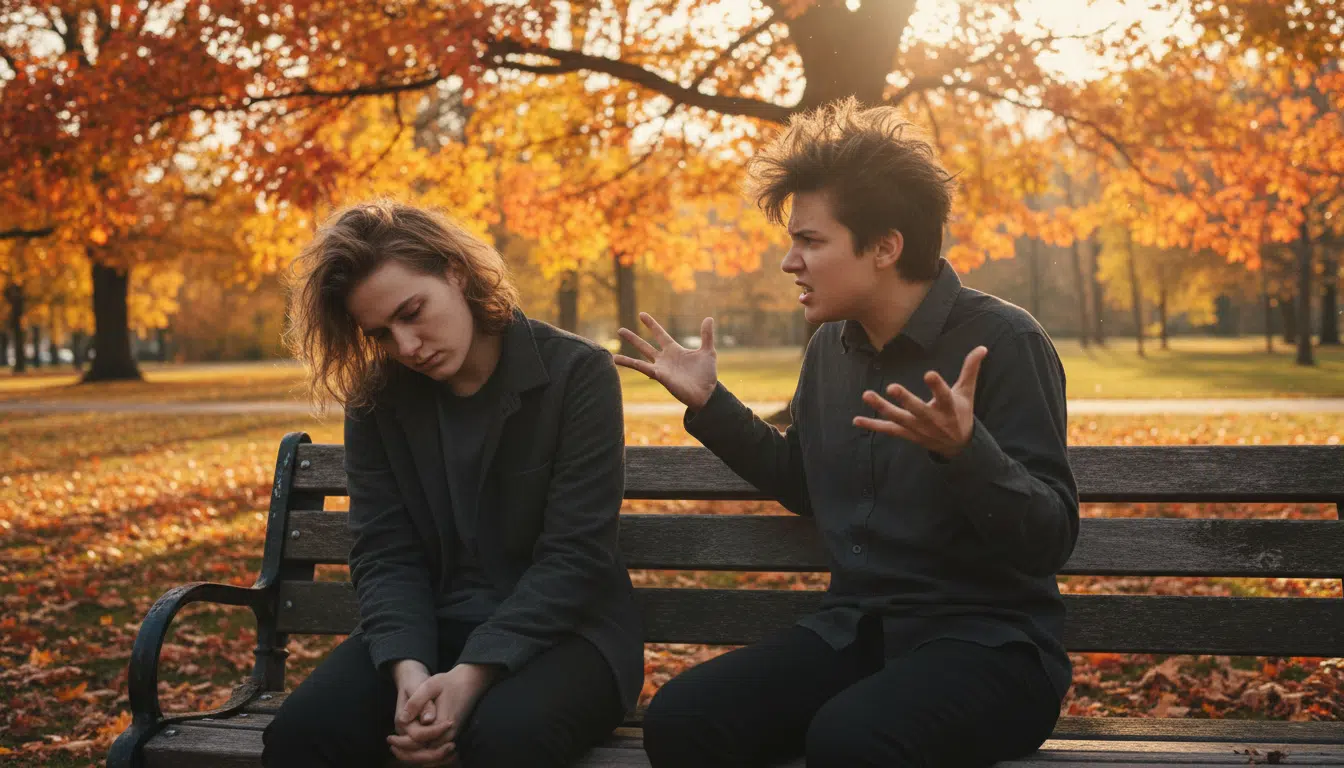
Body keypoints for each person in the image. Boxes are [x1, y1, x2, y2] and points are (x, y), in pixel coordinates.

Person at [615, 97, 1079, 768]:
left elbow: (1052, 536)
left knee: (850, 740)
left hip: (993, 648)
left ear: (885, 246)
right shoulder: (831, 348)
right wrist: (713, 406)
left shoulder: (1002, 341)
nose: (789, 262)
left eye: (810, 240)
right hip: (857, 634)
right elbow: (804, 483)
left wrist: (965, 451)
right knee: (685, 720)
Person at [263, 200, 643, 768]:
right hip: (427, 629)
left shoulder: (576, 373)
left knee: (504, 738)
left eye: (413, 312)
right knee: (303, 734)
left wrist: (470, 678)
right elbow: (384, 552)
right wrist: (408, 672)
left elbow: (576, 556)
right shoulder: (377, 400)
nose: (407, 346)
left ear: (455, 272)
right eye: (383, 334)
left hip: (569, 637)